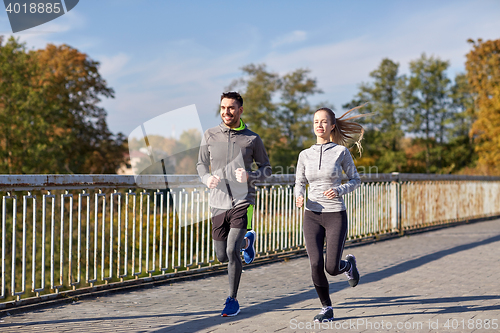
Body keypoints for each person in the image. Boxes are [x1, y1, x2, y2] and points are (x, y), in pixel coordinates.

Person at [197, 91, 272, 317]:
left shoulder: (252, 138)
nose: (226, 112)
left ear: (240, 110)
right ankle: (248, 243)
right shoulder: (210, 135)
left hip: (242, 201)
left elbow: (266, 169)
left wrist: (250, 176)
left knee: (231, 251)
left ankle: (232, 299)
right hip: (218, 203)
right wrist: (206, 179)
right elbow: (201, 165)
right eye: (223, 108)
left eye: (231, 108)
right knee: (221, 255)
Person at [295, 105, 366, 322]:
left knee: (331, 267)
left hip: (335, 214)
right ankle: (327, 308)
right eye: (316, 121)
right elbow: (299, 182)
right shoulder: (304, 155)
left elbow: (356, 180)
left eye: (324, 121)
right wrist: (298, 195)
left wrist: (338, 189)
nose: (319, 125)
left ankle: (348, 266)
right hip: (312, 215)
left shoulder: (340, 152)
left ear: (332, 126)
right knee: (316, 263)